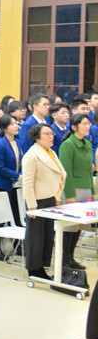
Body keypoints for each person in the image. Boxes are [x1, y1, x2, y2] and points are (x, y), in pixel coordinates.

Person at [22, 124, 66, 280]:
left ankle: (42, 266)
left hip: (50, 198)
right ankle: (34, 269)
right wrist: (31, 206)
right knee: (36, 237)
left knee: (47, 235)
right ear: (37, 137)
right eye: (47, 134)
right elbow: (27, 183)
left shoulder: (50, 151)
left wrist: (57, 196)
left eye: (51, 133)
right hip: (37, 202)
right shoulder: (31, 155)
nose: (51, 136)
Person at [58, 114, 94, 270]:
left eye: (88, 123)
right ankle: (64, 258)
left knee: (78, 226)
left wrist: (92, 191)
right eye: (84, 124)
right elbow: (66, 172)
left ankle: (70, 257)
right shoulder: (68, 145)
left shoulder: (87, 143)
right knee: (69, 227)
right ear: (74, 127)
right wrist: (70, 195)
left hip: (85, 189)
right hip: (73, 190)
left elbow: (89, 171)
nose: (88, 126)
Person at [0, 115, 24, 228]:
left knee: (18, 218)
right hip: (3, 185)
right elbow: (0, 168)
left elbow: (21, 162)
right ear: (4, 128)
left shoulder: (18, 142)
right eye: (12, 124)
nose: (16, 126)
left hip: (17, 186)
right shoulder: (0, 145)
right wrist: (17, 176)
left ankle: (17, 240)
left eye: (16, 123)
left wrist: (20, 174)